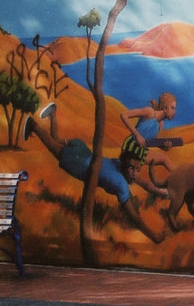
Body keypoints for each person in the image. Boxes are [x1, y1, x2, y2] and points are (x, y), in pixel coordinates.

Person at [24, 102, 167, 243]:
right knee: (52, 145)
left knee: (55, 140)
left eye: (137, 169)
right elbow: (135, 217)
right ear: (124, 166)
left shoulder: (121, 166)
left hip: (82, 149)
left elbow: (143, 182)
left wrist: (163, 192)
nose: (135, 173)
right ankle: (33, 125)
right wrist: (153, 237)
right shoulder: (121, 185)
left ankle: (53, 114)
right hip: (78, 161)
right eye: (132, 168)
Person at [119, 92, 178, 173]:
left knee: (165, 159)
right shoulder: (149, 112)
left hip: (142, 151)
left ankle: (182, 178)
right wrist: (137, 135)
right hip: (131, 146)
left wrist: (165, 147)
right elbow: (123, 114)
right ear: (165, 108)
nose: (174, 112)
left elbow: (153, 142)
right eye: (172, 108)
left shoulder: (160, 124)